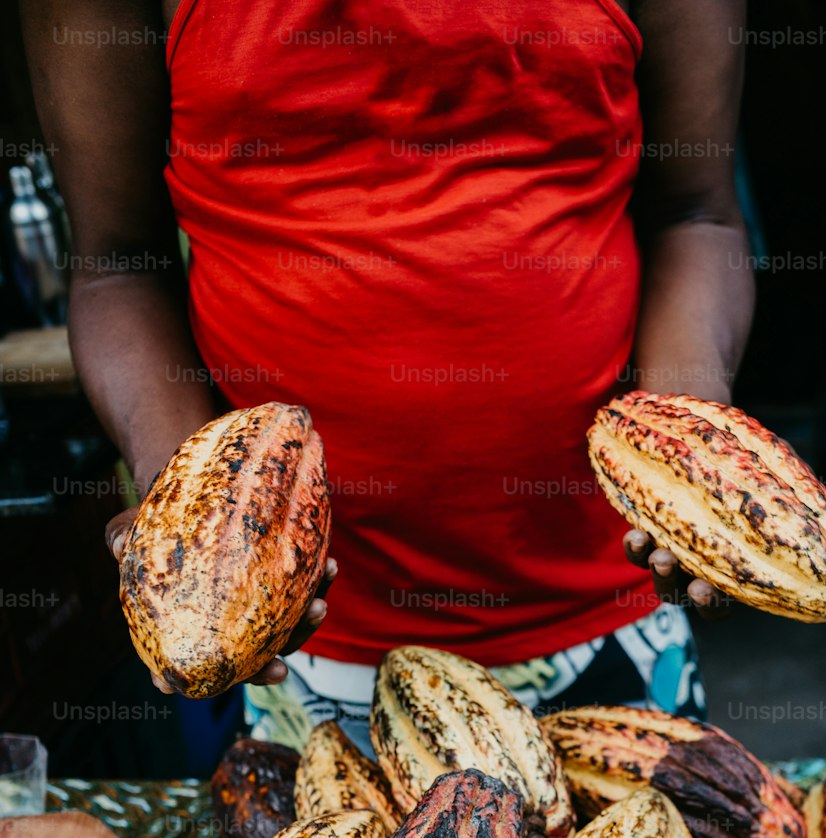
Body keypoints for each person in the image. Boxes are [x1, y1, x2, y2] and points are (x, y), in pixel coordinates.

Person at [24, 0, 753, 754]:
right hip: (296, 636)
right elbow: (116, 266)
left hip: (610, 608)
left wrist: (692, 459)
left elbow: (697, 217)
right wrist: (195, 514)